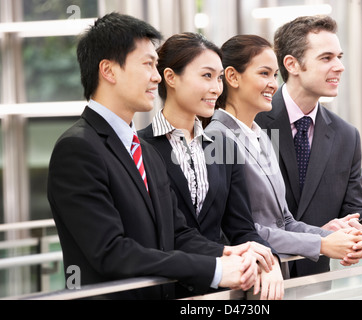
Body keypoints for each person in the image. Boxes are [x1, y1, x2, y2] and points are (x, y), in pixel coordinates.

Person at [47, 13, 259, 300]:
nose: (156, 77)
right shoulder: (77, 149)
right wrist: (215, 268)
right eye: (147, 64)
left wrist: (227, 251)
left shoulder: (144, 150)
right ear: (109, 71)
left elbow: (177, 233)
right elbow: (112, 252)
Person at [205, 34, 362, 276]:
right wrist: (322, 244)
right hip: (247, 280)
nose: (273, 83)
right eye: (264, 73)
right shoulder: (216, 138)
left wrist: (337, 237)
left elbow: (285, 221)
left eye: (274, 75)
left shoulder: (260, 136)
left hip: (278, 276)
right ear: (232, 77)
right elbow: (234, 230)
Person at [138, 32, 284, 300]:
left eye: (219, 78)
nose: (217, 88)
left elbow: (242, 227)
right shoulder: (140, 148)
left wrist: (268, 261)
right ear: (170, 77)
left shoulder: (224, 146)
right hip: (164, 290)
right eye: (206, 76)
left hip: (220, 292)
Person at [255, 15, 362, 278]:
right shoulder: (251, 121)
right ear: (291, 64)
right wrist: (319, 238)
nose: (339, 66)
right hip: (258, 281)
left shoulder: (346, 136)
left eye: (340, 56)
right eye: (326, 58)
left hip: (315, 285)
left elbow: (359, 214)